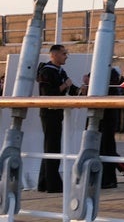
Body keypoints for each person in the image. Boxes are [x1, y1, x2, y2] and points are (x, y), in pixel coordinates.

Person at [79, 69, 124, 189]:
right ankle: (119, 169)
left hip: (107, 115)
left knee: (107, 146)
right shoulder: (97, 71)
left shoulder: (111, 73)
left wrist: (90, 83)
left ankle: (110, 178)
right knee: (102, 147)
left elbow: (109, 89)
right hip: (99, 114)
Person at [36, 44, 80, 193]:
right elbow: (47, 93)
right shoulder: (47, 72)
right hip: (49, 113)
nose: (66, 56)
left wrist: (83, 90)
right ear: (54, 55)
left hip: (57, 113)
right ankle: (52, 184)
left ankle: (43, 182)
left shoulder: (60, 71)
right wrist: (63, 86)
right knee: (52, 147)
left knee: (51, 147)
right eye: (63, 53)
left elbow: (73, 89)